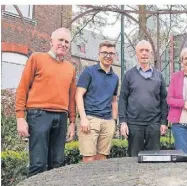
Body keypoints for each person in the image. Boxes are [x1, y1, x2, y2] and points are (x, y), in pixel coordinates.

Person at [15, 28, 76, 177]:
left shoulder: (70, 68)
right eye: (60, 40)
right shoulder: (36, 58)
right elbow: (22, 88)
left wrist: (72, 122)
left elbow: (71, 97)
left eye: (66, 41)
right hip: (39, 115)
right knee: (38, 164)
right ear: (51, 42)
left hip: (61, 117)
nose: (63, 44)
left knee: (57, 164)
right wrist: (20, 118)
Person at [118, 40, 168, 157]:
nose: (144, 53)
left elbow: (163, 101)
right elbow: (123, 99)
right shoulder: (129, 75)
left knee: (154, 160)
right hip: (134, 125)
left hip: (154, 125)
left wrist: (163, 122)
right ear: (137, 54)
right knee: (134, 160)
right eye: (141, 50)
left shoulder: (159, 75)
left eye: (147, 51)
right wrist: (123, 122)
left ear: (151, 54)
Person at [76, 41, 119, 162]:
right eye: (105, 52)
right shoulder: (89, 72)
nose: (108, 56)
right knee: (89, 158)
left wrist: (113, 121)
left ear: (114, 56)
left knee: (102, 159)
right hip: (90, 119)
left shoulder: (115, 77)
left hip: (107, 121)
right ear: (98, 54)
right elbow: (78, 95)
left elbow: (114, 101)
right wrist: (83, 118)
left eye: (111, 53)